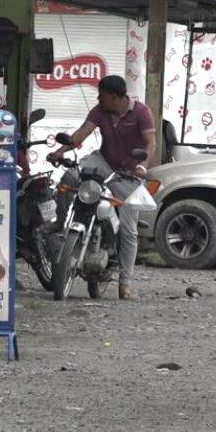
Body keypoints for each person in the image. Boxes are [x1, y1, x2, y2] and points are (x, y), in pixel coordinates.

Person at [48, 75, 155, 301]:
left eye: (102, 96)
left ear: (114, 97)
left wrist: (142, 167)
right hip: (103, 163)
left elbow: (150, 144)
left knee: (129, 231)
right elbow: (81, 134)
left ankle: (125, 284)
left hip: (128, 173)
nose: (98, 99)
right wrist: (60, 152)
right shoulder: (99, 111)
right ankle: (61, 222)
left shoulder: (141, 112)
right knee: (69, 177)